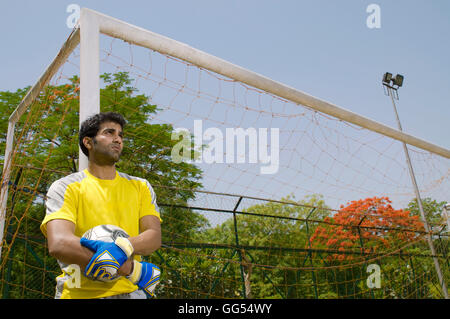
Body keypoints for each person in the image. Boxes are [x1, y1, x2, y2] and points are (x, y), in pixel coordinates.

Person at [40, 112, 162, 299]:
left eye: (120, 135)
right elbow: (59, 243)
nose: (117, 139)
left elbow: (153, 237)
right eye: (109, 132)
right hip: (77, 293)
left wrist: (124, 245)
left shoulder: (141, 186)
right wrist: (131, 269)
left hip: (130, 292)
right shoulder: (64, 187)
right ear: (88, 142)